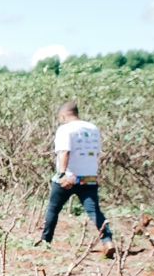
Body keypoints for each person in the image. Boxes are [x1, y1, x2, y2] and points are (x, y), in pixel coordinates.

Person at [39, 100, 112, 249]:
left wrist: (62, 174)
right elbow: (97, 153)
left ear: (64, 115)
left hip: (69, 177)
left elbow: (64, 152)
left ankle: (45, 241)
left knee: (53, 208)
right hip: (89, 177)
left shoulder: (65, 129)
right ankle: (107, 240)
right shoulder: (93, 128)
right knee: (94, 210)